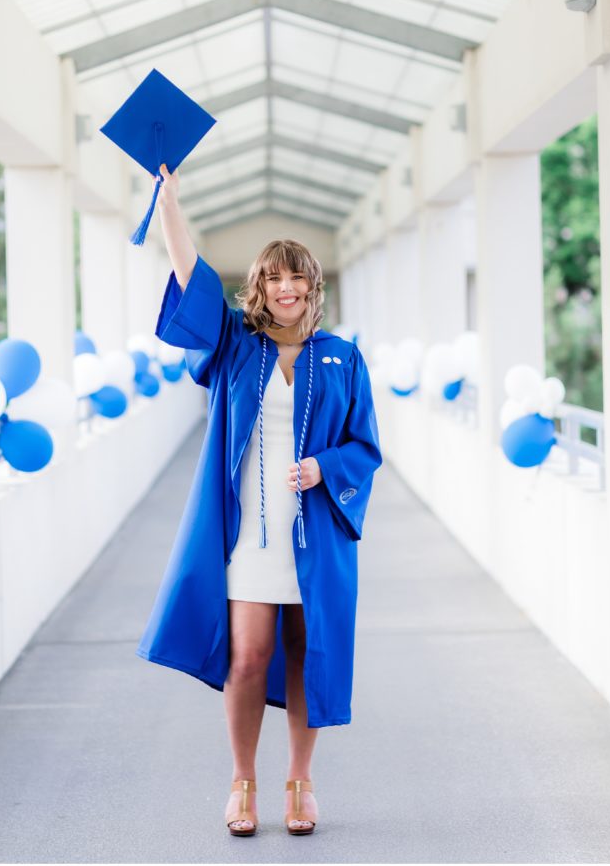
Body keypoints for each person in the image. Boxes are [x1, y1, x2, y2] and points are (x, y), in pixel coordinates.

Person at [136, 163, 383, 837]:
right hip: (250, 538)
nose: (285, 287)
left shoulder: (342, 359)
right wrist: (169, 202)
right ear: (259, 287)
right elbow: (188, 272)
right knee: (247, 655)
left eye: (296, 275)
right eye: (273, 277)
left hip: (316, 538)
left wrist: (322, 467)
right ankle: (241, 782)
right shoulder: (234, 350)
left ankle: (300, 784)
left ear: (313, 285)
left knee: (308, 653)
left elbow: (365, 447)